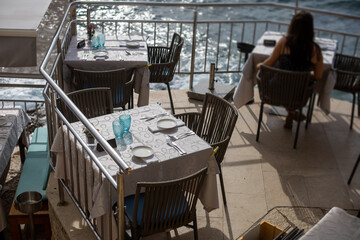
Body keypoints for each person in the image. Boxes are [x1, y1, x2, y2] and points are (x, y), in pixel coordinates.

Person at [256, 10, 323, 129]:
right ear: (310, 28)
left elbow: (268, 64)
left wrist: (258, 65)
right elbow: (318, 75)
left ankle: (290, 112)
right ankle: (291, 111)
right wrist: (306, 74)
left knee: (277, 70)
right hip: (299, 96)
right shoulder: (315, 50)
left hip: (276, 92)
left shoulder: (284, 42)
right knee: (297, 83)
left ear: (293, 25)